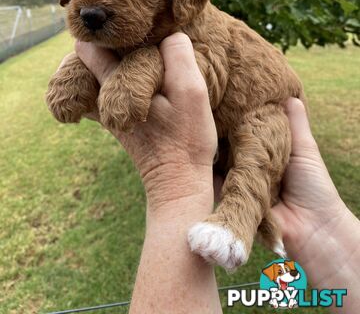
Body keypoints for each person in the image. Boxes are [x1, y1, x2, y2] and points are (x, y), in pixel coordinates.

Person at [72, 32, 359, 313]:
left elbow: (205, 72)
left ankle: (236, 223)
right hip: (222, 141)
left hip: (262, 109)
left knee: (259, 139)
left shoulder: (200, 31)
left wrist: (173, 174)